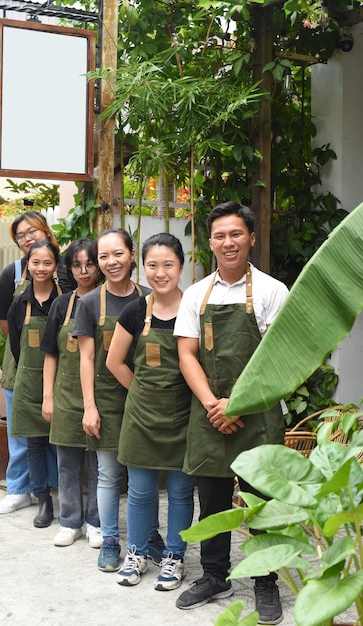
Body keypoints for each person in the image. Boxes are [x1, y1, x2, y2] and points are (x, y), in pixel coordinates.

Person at [173, 202, 289, 624]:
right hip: (208, 413)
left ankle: (265, 580)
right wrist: (213, 405)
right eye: (220, 235)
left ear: (251, 238)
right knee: (215, 503)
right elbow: (186, 354)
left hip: (257, 414)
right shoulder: (196, 294)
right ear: (210, 242)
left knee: (261, 502)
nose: (228, 242)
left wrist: (237, 404)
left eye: (236, 234)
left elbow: (277, 359)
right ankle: (215, 575)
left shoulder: (274, 291)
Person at [72, 228, 164, 572]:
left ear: (131, 255)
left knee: (145, 474)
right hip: (108, 402)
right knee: (109, 474)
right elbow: (85, 359)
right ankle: (110, 540)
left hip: (146, 401)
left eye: (118, 254)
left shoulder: (152, 297)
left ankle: (150, 536)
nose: (112, 262)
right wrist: (90, 407)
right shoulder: (89, 303)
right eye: (104, 257)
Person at [106, 233, 194, 591]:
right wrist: (143, 392)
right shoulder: (134, 310)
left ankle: (174, 556)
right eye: (152, 265)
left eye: (168, 264)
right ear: (144, 267)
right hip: (141, 418)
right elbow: (114, 361)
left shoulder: (195, 308)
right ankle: (137, 552)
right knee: (140, 492)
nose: (160, 273)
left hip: (185, 417)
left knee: (181, 492)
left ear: (181, 267)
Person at [0, 210, 72, 515]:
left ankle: (52, 489)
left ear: (46, 232)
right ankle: (19, 489)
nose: (27, 239)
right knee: (22, 433)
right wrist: (28, 347)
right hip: (21, 365)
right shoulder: (11, 273)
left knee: (55, 436)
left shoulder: (66, 271)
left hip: (61, 365)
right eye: (21, 236)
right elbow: (4, 320)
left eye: (32, 232)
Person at [40, 238, 103, 548]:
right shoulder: (62, 305)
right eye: (76, 265)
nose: (83, 271)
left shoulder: (110, 301)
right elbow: (50, 353)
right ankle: (69, 521)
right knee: (67, 463)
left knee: (97, 464)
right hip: (65, 396)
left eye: (89, 264)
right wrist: (48, 396)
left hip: (100, 395)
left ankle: (95, 521)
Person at [8, 240, 61, 528]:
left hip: (63, 384)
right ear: (28, 264)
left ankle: (69, 498)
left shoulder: (65, 301)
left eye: (47, 262)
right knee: (35, 446)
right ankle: (43, 499)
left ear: (56, 267)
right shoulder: (19, 304)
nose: (41, 268)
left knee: (67, 445)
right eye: (35, 262)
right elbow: (16, 348)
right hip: (28, 385)